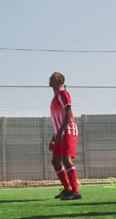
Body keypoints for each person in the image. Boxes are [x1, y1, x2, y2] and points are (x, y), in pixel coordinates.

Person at [48, 72, 81, 200]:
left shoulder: (63, 93)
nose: (50, 78)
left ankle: (75, 192)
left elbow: (68, 114)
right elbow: (57, 120)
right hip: (60, 133)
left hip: (68, 131)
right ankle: (67, 189)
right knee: (55, 161)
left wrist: (60, 133)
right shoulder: (54, 99)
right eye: (50, 77)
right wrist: (53, 138)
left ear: (60, 81)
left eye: (54, 77)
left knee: (66, 160)